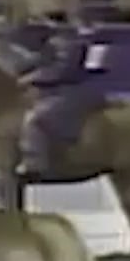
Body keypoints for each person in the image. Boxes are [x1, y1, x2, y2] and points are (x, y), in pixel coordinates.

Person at [16, 26, 108, 176]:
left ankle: (34, 163)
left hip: (76, 93)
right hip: (61, 91)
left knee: (36, 119)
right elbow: (37, 62)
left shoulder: (71, 42)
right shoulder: (56, 41)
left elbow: (64, 70)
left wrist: (31, 78)